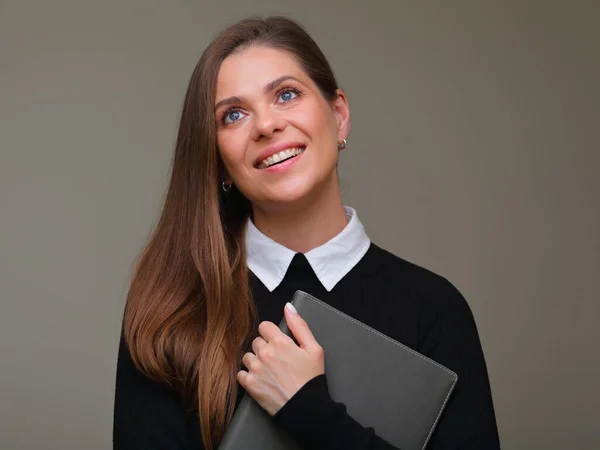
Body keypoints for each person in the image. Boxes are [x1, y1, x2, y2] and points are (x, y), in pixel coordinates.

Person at [113, 15, 500, 450]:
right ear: (219, 160)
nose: (266, 125)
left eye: (286, 94)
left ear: (339, 116)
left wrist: (309, 411)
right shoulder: (171, 311)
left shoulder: (436, 309)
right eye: (233, 115)